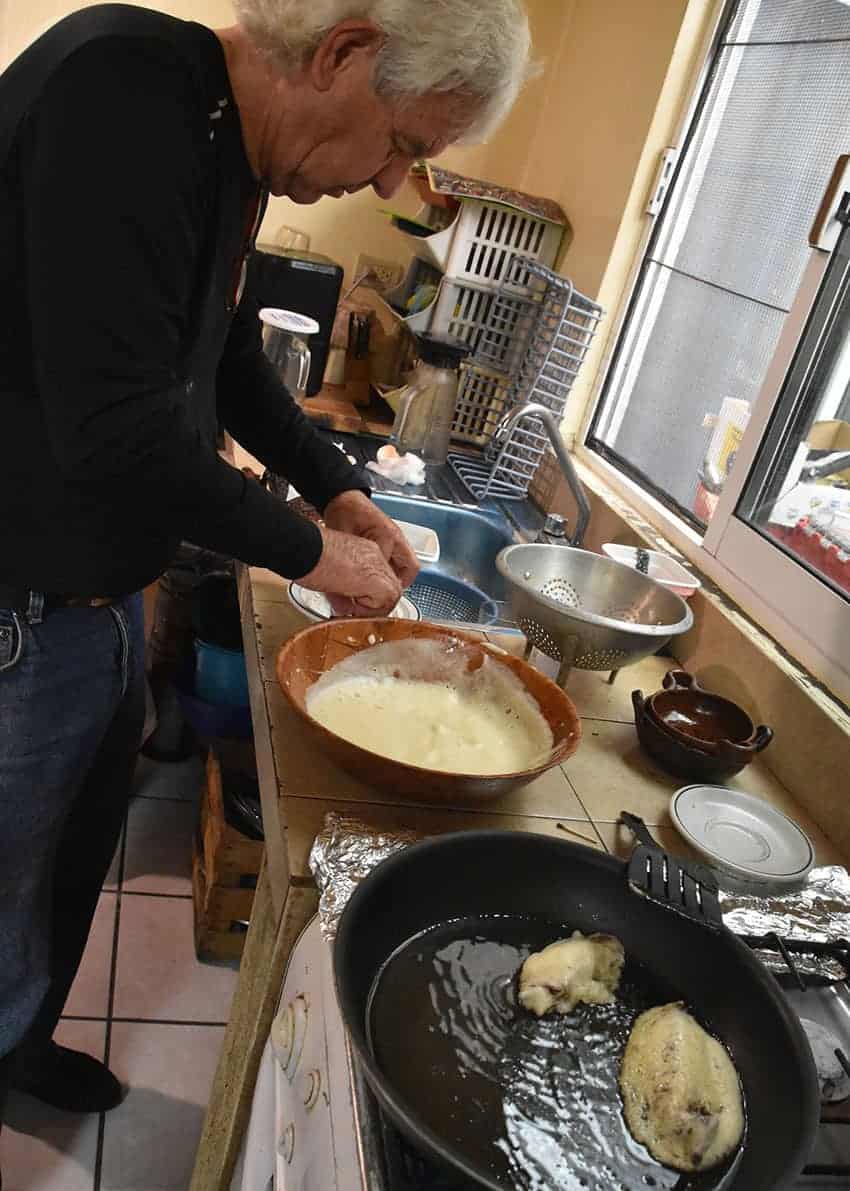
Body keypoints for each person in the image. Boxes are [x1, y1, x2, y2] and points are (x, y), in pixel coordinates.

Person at [0, 0, 532, 1151]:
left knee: (65, 855)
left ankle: (17, 1042)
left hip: (89, 603)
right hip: (17, 605)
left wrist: (337, 486)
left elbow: (226, 356)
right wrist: (309, 550)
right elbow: (117, 430)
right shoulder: (120, 95)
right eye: (405, 144)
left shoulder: (224, 141)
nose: (391, 179)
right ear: (342, 54)